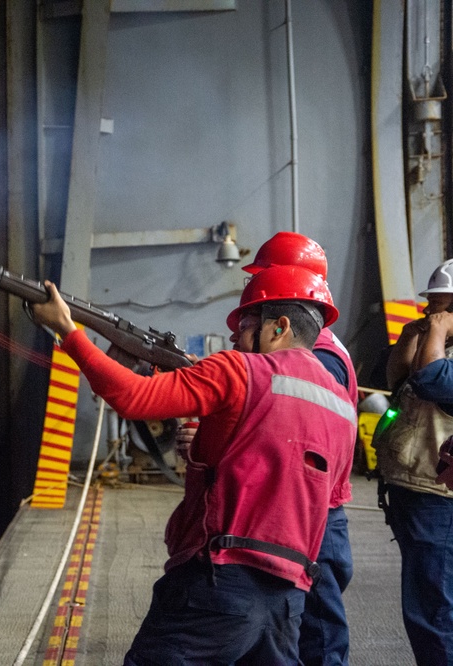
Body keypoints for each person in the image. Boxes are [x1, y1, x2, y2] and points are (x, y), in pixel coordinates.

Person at [31, 265, 357, 664]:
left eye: (247, 323)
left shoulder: (240, 370)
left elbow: (133, 398)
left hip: (219, 582)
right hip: (287, 600)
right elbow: (296, 481)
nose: (235, 336)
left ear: (279, 327)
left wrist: (68, 330)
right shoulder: (342, 406)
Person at [243, 231, 359, 666]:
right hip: (309, 510)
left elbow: (289, 432)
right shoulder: (311, 350)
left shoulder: (320, 358)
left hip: (316, 514)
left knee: (319, 634)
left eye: (267, 278)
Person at [374, 257, 453, 664]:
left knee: (435, 610)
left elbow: (431, 381)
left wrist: (437, 333)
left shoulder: (442, 358)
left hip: (439, 499)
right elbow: (401, 382)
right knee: (426, 602)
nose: (431, 314)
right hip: (415, 493)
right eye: (431, 306)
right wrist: (411, 336)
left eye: (441, 307)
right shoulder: (437, 349)